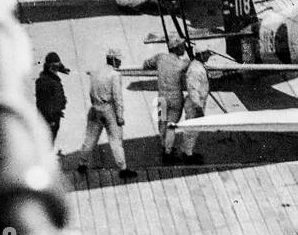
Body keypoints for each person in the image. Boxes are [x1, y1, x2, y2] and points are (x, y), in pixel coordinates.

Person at [76, 48, 138, 179]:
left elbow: (91, 90)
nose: (120, 63)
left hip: (94, 108)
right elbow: (117, 98)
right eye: (119, 60)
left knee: (90, 138)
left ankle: (82, 163)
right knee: (116, 141)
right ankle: (123, 168)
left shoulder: (95, 71)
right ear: (114, 59)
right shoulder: (115, 75)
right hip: (108, 110)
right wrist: (120, 116)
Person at [144, 40, 191, 165]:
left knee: (162, 123)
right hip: (175, 97)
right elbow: (189, 64)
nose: (184, 49)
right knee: (171, 126)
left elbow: (146, 64)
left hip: (162, 96)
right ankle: (168, 151)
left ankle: (164, 145)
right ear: (176, 48)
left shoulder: (160, 57)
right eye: (182, 46)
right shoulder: (182, 63)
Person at [177, 49, 212, 164]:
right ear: (201, 54)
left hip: (198, 103)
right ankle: (187, 155)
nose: (209, 56)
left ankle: (188, 151)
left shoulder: (198, 66)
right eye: (207, 54)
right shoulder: (195, 70)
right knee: (191, 130)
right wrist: (198, 108)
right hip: (194, 104)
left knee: (193, 130)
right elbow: (192, 90)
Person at [33, 52, 69, 146]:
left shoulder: (51, 76)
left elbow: (61, 67)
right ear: (50, 66)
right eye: (55, 67)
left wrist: (64, 70)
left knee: (49, 142)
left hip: (56, 115)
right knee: (47, 143)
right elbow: (42, 104)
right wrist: (50, 120)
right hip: (50, 119)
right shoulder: (44, 81)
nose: (57, 69)